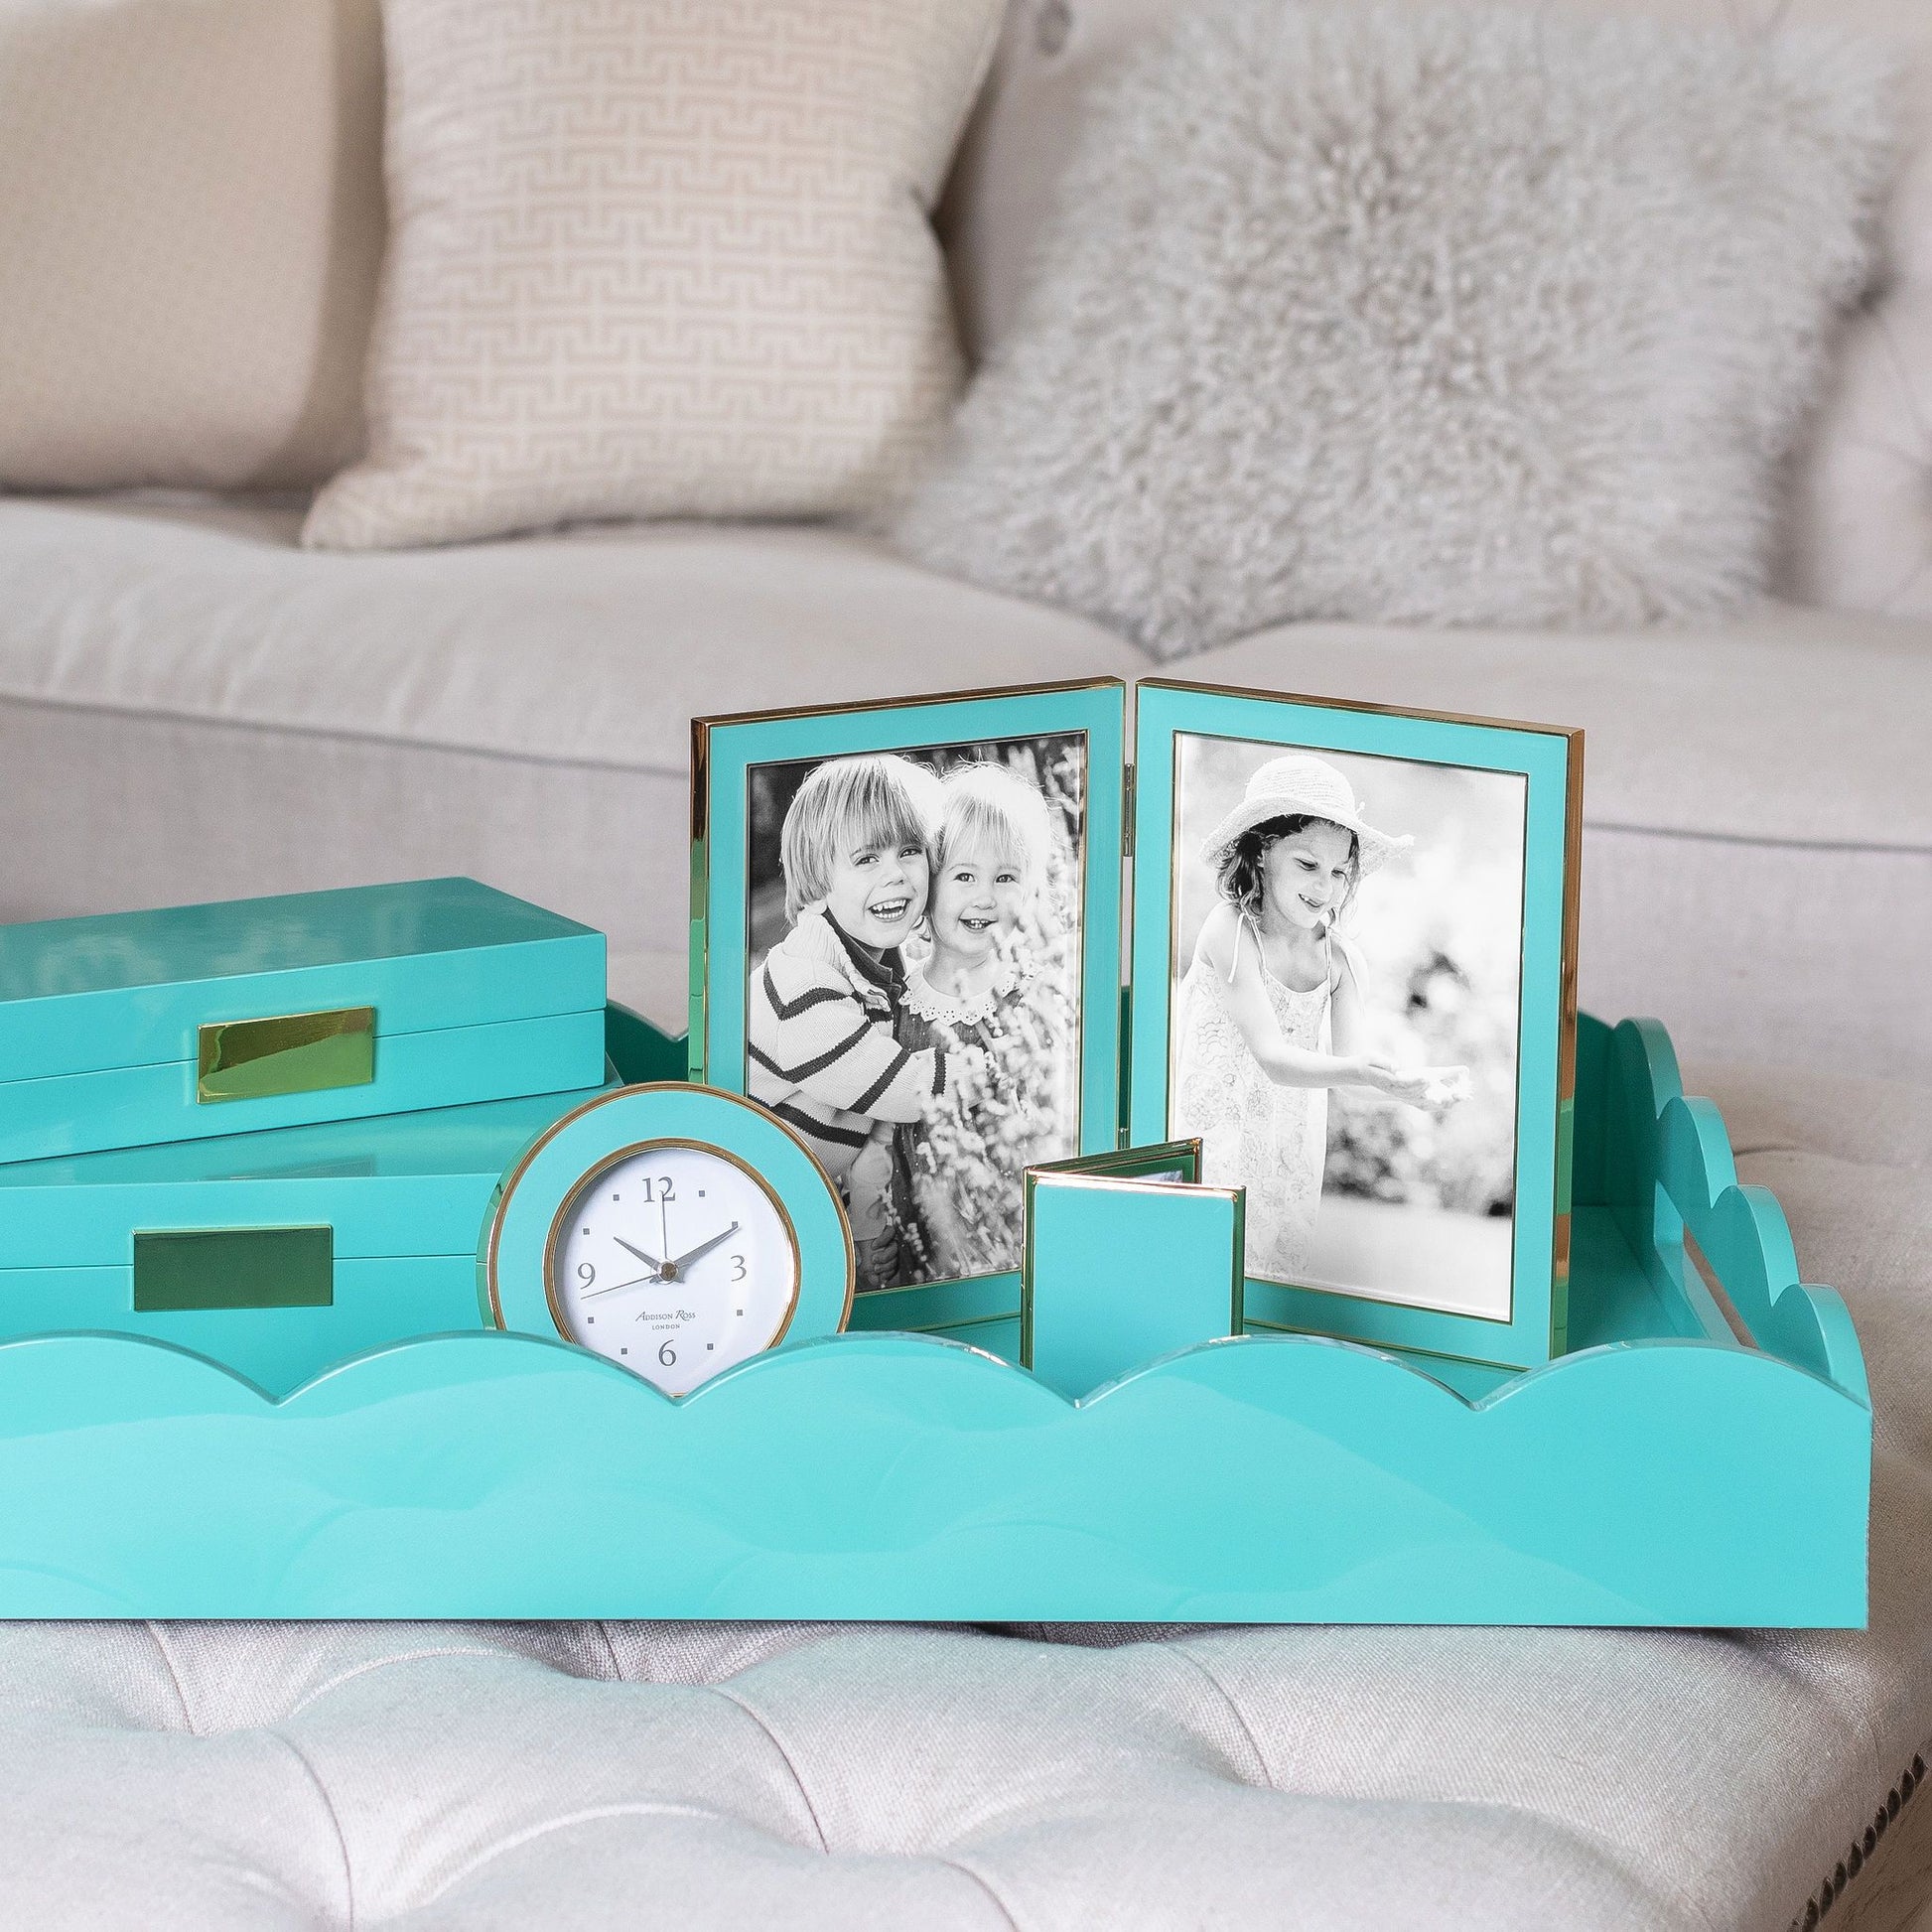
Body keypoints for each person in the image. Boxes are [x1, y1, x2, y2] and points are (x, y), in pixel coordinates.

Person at [1171, 755, 1467, 1279]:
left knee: (1271, 1289)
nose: (1324, 887)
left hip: (1287, 1158)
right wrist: (1358, 1070)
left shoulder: (1339, 960)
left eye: (1338, 872)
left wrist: (1406, 1088)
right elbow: (1273, 1057)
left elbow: (1352, 1082)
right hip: (1211, 1142)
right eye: (1307, 865)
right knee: (1201, 1273)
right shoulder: (1230, 931)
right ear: (1261, 851)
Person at [746, 754, 953, 1289]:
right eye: (866, 859)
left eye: (910, 851)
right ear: (818, 881)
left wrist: (862, 1223)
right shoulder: (804, 985)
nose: (896, 874)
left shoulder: (878, 969)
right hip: (758, 1216)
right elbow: (901, 1090)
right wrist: (991, 1066)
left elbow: (872, 1127)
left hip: (819, 1191)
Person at [897, 760, 1072, 1279]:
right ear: (928, 885)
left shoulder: (1032, 997)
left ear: (1031, 889)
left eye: (1005, 877)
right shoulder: (898, 999)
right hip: (921, 1232)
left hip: (1016, 1230)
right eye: (964, 876)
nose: (984, 896)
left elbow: (1056, 1117)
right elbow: (880, 1131)